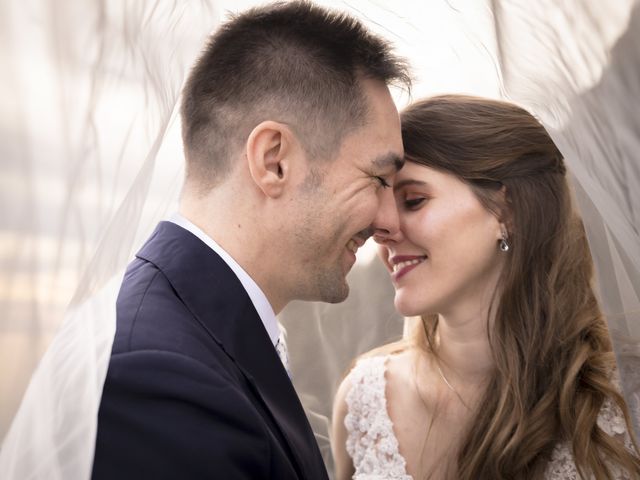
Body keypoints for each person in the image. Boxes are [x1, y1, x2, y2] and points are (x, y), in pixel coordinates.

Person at [91, 2, 410, 479]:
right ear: (274, 160)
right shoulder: (157, 379)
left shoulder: (200, 328)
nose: (389, 221)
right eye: (378, 178)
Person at [331, 95, 640, 479]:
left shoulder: (625, 402)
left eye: (413, 200)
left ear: (504, 212)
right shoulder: (364, 400)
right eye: (377, 209)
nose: (383, 230)